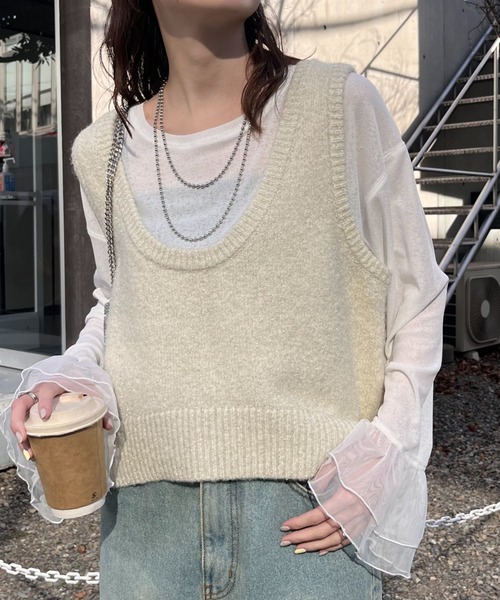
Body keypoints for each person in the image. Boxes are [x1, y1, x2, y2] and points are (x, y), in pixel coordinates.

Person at [2, 1, 448, 598]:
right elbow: (117, 302)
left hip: (305, 521)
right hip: (144, 530)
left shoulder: (337, 106)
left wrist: (388, 451)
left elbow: (416, 292)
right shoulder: (101, 151)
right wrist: (74, 371)